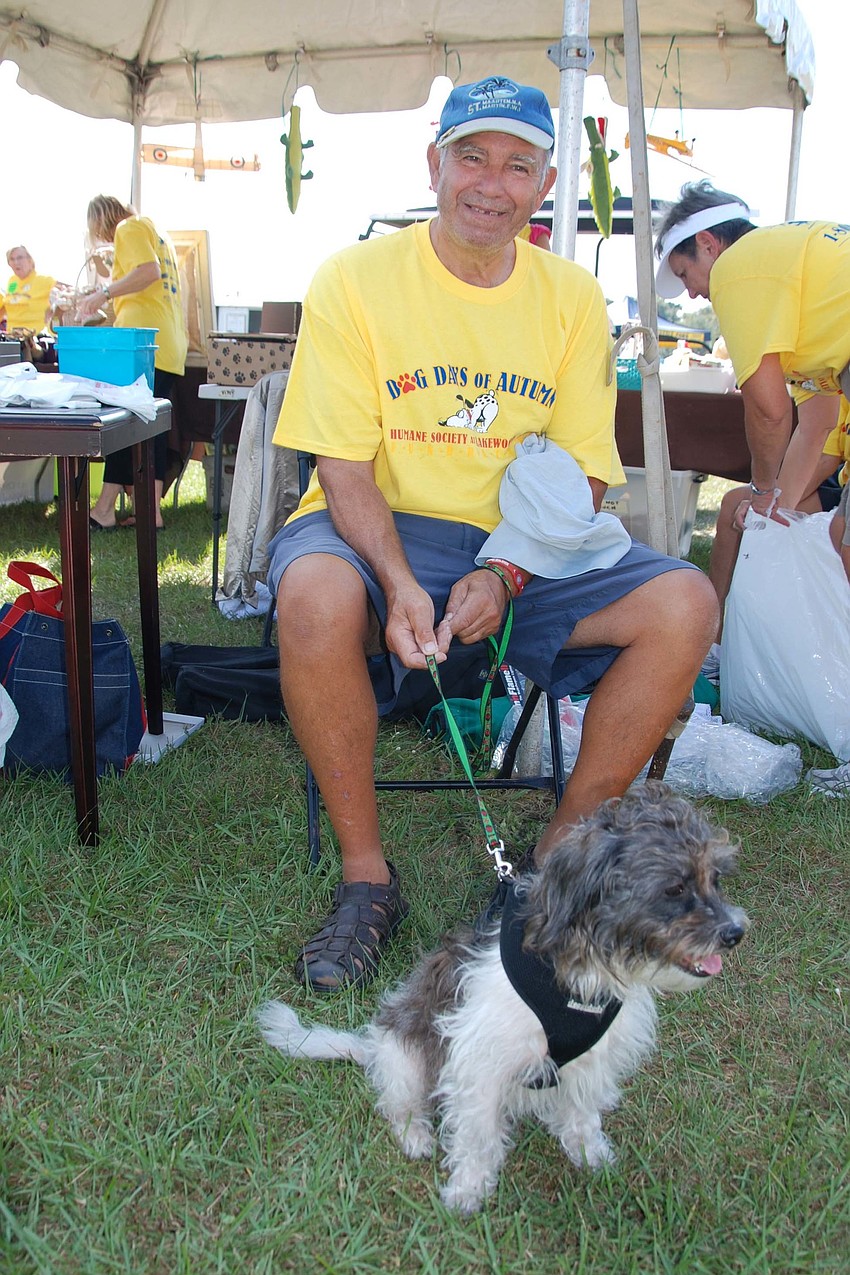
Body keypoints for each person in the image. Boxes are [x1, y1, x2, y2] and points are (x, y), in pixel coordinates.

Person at [268, 76, 718, 993]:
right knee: (316, 595)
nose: (491, 182)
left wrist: (508, 570)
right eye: (471, 156)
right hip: (384, 522)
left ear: (545, 184)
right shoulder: (354, 279)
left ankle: (550, 875)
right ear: (434, 162)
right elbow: (342, 470)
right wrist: (398, 582)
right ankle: (366, 878)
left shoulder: (570, 298)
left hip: (529, 539)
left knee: (685, 600)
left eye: (518, 165)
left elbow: (589, 470)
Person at [654, 180, 850, 657]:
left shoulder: (739, 269)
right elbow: (819, 417)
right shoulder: (794, 277)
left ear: (708, 244)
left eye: (686, 274)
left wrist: (764, 492)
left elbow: (767, 407)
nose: (694, 294)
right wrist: (775, 503)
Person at [76, 196, 187, 530]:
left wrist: (102, 294)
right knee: (142, 427)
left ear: (101, 219)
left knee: (123, 426)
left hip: (142, 344)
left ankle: (107, 509)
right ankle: (142, 512)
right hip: (163, 341)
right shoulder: (152, 230)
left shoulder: (129, 227)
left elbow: (147, 273)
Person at [1, 246, 56, 332]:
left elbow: (67, 293)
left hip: (35, 338)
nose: (16, 262)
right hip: (13, 337)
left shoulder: (44, 280)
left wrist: (53, 311)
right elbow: (9, 300)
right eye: (12, 259)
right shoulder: (13, 282)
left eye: (19, 258)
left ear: (30, 260)